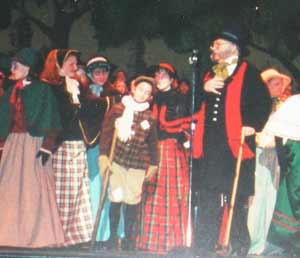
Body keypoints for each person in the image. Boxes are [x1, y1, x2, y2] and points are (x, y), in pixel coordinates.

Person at [192, 24, 272, 256]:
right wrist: (202, 88)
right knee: (207, 199)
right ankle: (203, 247)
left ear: (233, 47)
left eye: (218, 44)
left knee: (237, 201)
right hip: (210, 148)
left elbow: (262, 104)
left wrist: (253, 125)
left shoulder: (250, 73)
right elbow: (194, 104)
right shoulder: (210, 73)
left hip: (235, 147)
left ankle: (239, 247)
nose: (212, 48)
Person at [0, 48, 64, 247]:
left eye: (16, 64)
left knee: (33, 191)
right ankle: (9, 235)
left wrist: (47, 147)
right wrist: (2, 144)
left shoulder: (42, 90)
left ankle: (36, 236)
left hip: (33, 143)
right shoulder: (12, 90)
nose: (13, 68)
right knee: (9, 190)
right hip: (13, 144)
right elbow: (4, 120)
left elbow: (52, 120)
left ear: (28, 67)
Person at [40, 49, 93, 246]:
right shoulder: (49, 88)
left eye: (75, 63)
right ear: (57, 66)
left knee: (77, 192)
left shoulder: (76, 86)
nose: (75, 66)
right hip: (60, 146)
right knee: (61, 193)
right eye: (70, 63)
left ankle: (74, 236)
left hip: (76, 144)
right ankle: (57, 235)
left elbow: (87, 109)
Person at [99, 76, 158, 250]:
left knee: (132, 200)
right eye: (141, 89)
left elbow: (153, 142)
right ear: (133, 89)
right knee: (116, 197)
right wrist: (103, 156)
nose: (143, 94)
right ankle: (112, 236)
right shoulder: (118, 109)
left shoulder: (150, 117)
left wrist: (154, 164)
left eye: (147, 92)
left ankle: (129, 240)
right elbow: (106, 134)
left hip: (137, 164)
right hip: (117, 160)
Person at [136, 63, 191, 254]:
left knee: (170, 192)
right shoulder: (151, 99)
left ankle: (170, 242)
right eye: (157, 75)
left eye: (163, 75)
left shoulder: (178, 98)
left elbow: (182, 124)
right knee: (151, 191)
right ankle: (149, 240)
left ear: (171, 78)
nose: (159, 78)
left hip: (170, 148)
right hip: (153, 148)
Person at [247, 68, 292, 255]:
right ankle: (253, 242)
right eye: (276, 83)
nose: (280, 87)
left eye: (281, 84)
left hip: (275, 154)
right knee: (256, 198)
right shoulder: (259, 104)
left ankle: (264, 242)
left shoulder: (284, 106)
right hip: (258, 152)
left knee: (271, 197)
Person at [80, 55, 122, 245]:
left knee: (105, 189)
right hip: (88, 148)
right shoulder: (83, 93)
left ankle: (105, 233)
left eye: (104, 72)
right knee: (91, 189)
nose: (101, 76)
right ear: (90, 74)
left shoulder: (113, 95)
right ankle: (90, 233)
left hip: (105, 148)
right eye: (97, 72)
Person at [263, 93, 300, 256]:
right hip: (296, 152)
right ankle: (288, 240)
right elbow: (277, 131)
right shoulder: (295, 102)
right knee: (293, 192)